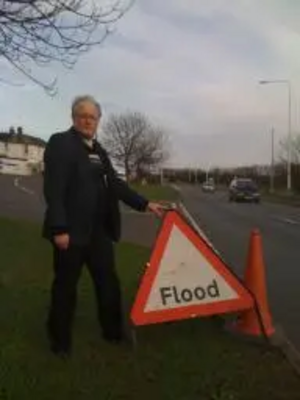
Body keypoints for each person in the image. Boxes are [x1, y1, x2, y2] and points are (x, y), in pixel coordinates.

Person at [42, 95, 164, 358]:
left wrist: (144, 203)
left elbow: (115, 185)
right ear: (74, 118)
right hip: (70, 233)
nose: (87, 120)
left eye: (92, 117)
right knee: (65, 288)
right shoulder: (61, 143)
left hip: (98, 233)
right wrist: (59, 228)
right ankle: (59, 343)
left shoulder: (99, 151)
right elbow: (54, 189)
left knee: (108, 283)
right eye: (82, 115)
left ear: (98, 120)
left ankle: (112, 333)